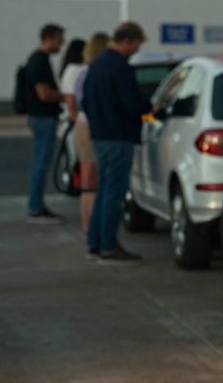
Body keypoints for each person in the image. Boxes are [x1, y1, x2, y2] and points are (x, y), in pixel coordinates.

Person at [81, 22, 152, 264]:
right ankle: (109, 245)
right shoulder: (121, 68)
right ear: (129, 41)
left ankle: (95, 241)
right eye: (137, 44)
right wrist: (152, 108)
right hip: (119, 136)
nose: (137, 50)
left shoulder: (97, 65)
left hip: (100, 135)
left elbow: (86, 103)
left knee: (104, 191)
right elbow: (132, 105)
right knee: (114, 193)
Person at [23, 23, 66, 223]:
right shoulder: (38, 61)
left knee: (41, 162)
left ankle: (37, 205)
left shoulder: (41, 60)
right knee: (41, 163)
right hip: (42, 117)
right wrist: (66, 97)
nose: (62, 44)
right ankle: (35, 207)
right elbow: (44, 93)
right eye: (59, 39)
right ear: (48, 38)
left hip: (42, 117)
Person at [69, 32, 110, 238]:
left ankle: (87, 225)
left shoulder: (82, 73)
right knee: (95, 181)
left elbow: (78, 102)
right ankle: (94, 226)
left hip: (81, 124)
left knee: (87, 181)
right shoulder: (95, 73)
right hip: (93, 126)